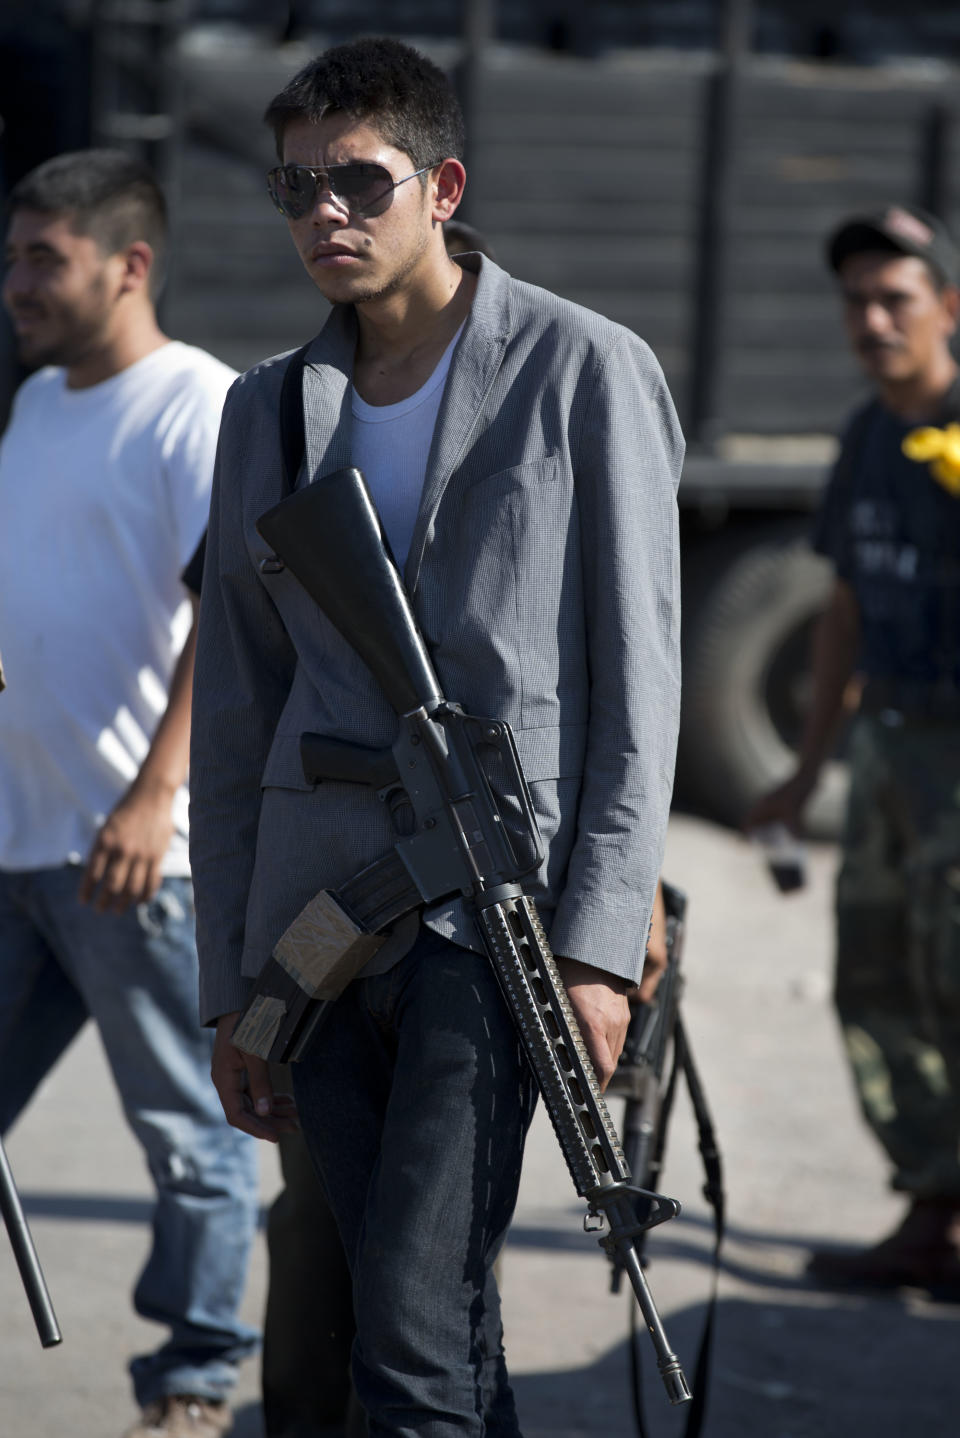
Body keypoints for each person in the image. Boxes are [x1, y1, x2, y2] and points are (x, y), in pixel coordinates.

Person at [190, 36, 682, 1438]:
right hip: (316, 920)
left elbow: (639, 683)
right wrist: (237, 973)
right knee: (410, 1314)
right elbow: (238, 696)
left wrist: (596, 945)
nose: (325, 215)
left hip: (497, 917)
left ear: (441, 183)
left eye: (359, 181)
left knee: (412, 1331)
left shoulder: (585, 368)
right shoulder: (270, 407)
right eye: (298, 187)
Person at [0, 149, 260, 1438]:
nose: (16, 285)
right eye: (14, 258)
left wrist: (159, 797)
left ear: (130, 263)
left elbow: (235, 614)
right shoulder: (40, 401)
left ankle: (194, 1380)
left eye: (44, 257)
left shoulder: (194, 405)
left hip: (134, 853)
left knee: (187, 1134)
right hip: (20, 838)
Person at [745, 203, 960, 1296]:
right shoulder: (870, 433)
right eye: (856, 301)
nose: (872, 319)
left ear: (950, 308)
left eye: (896, 298)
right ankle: (932, 1207)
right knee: (879, 977)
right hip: (886, 749)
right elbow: (842, 607)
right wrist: (804, 762)